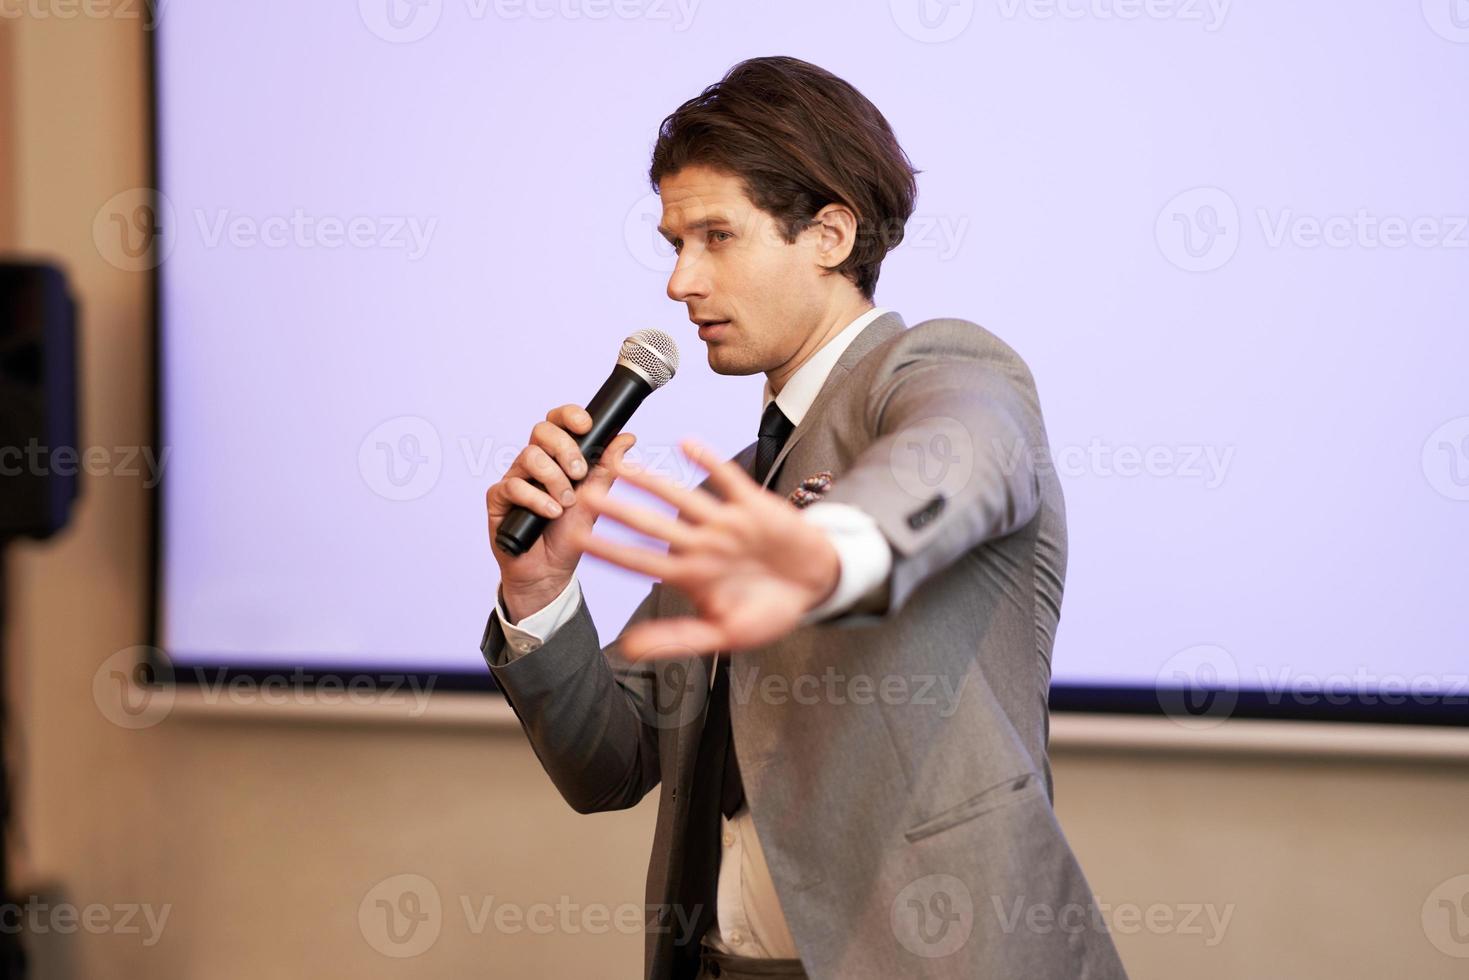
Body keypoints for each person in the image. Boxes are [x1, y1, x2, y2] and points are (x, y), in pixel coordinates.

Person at [481, 55, 1127, 980]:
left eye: (716, 237)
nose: (678, 282)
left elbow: (964, 454)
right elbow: (609, 764)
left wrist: (830, 554)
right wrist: (538, 591)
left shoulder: (940, 369)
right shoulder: (735, 495)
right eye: (672, 244)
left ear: (828, 234)